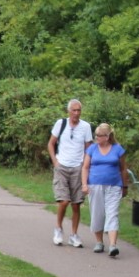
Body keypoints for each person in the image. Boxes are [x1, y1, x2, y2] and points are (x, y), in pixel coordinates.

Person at [47, 99, 92, 248]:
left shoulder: (85, 127)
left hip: (77, 168)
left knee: (76, 204)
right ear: (69, 111)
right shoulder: (61, 124)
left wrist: (84, 165)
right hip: (62, 166)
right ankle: (58, 229)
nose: (76, 113)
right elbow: (51, 144)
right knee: (64, 201)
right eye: (74, 110)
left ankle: (74, 234)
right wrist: (55, 162)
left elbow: (88, 149)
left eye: (79, 110)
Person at [81, 122, 128, 258]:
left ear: (107, 136)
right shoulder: (92, 149)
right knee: (97, 213)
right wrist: (84, 184)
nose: (96, 138)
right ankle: (99, 242)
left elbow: (123, 169)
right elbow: (85, 167)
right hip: (95, 185)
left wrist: (125, 186)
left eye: (99, 135)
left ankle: (113, 245)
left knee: (112, 213)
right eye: (95, 135)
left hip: (114, 186)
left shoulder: (118, 149)